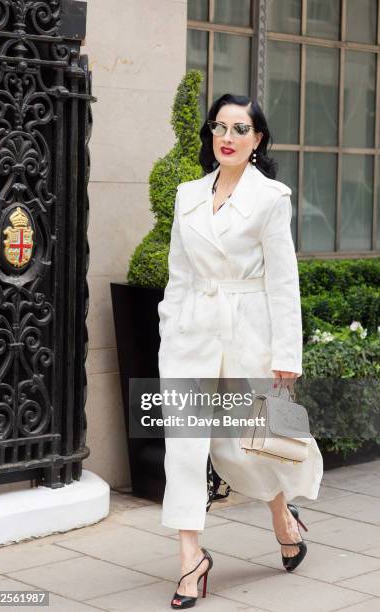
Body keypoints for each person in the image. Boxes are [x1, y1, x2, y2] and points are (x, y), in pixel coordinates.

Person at [157, 94, 323, 609]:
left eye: (240, 128)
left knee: (244, 443)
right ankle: (190, 558)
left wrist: (285, 354)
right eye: (220, 127)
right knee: (183, 448)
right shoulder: (187, 195)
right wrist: (170, 325)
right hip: (191, 334)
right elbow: (179, 275)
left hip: (247, 333)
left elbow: (283, 280)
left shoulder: (271, 198)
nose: (227, 137)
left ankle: (281, 515)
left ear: (258, 140)